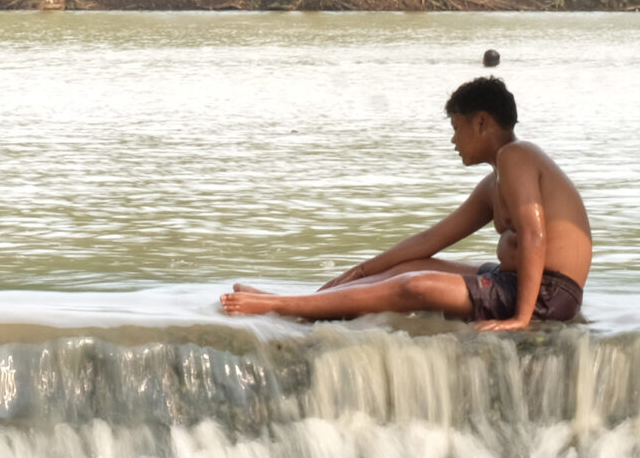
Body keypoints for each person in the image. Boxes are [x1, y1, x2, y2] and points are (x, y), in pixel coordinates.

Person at [221, 76, 591, 331]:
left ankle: (284, 308)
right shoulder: (494, 182)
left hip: (547, 295)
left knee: (416, 285)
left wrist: (521, 319)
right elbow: (429, 240)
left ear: (481, 123)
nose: (453, 140)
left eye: (456, 127)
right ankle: (304, 302)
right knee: (414, 265)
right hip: (510, 280)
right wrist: (362, 270)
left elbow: (533, 235)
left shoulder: (517, 155)